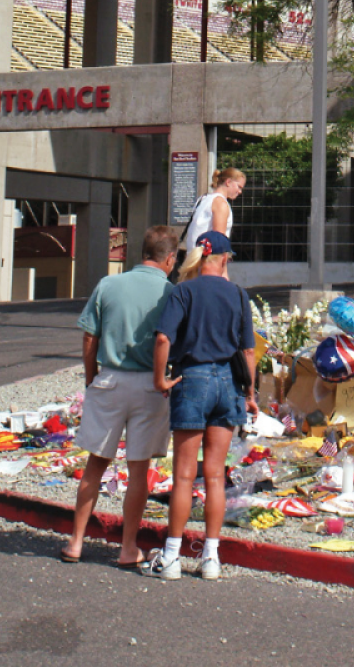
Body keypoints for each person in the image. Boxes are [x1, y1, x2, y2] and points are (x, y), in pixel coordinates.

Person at [61, 226, 179, 568]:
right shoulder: (170, 293)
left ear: (141, 252)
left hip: (110, 380)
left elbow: (89, 339)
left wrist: (90, 380)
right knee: (139, 469)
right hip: (150, 385)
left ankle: (76, 541)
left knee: (95, 464)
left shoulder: (108, 285)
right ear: (170, 259)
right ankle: (128, 547)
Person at [146, 231, 257, 580]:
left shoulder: (183, 291)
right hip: (228, 383)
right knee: (214, 476)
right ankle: (211, 557)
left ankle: (172, 557)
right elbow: (249, 351)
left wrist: (160, 378)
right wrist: (250, 394)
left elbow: (164, 337)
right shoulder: (238, 295)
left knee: (182, 475)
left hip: (191, 378)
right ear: (224, 259)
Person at [176, 167, 246, 278]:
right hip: (207, 267)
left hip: (191, 262)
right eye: (239, 187)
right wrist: (224, 275)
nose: (240, 191)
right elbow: (218, 243)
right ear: (228, 182)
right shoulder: (220, 203)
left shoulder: (203, 199)